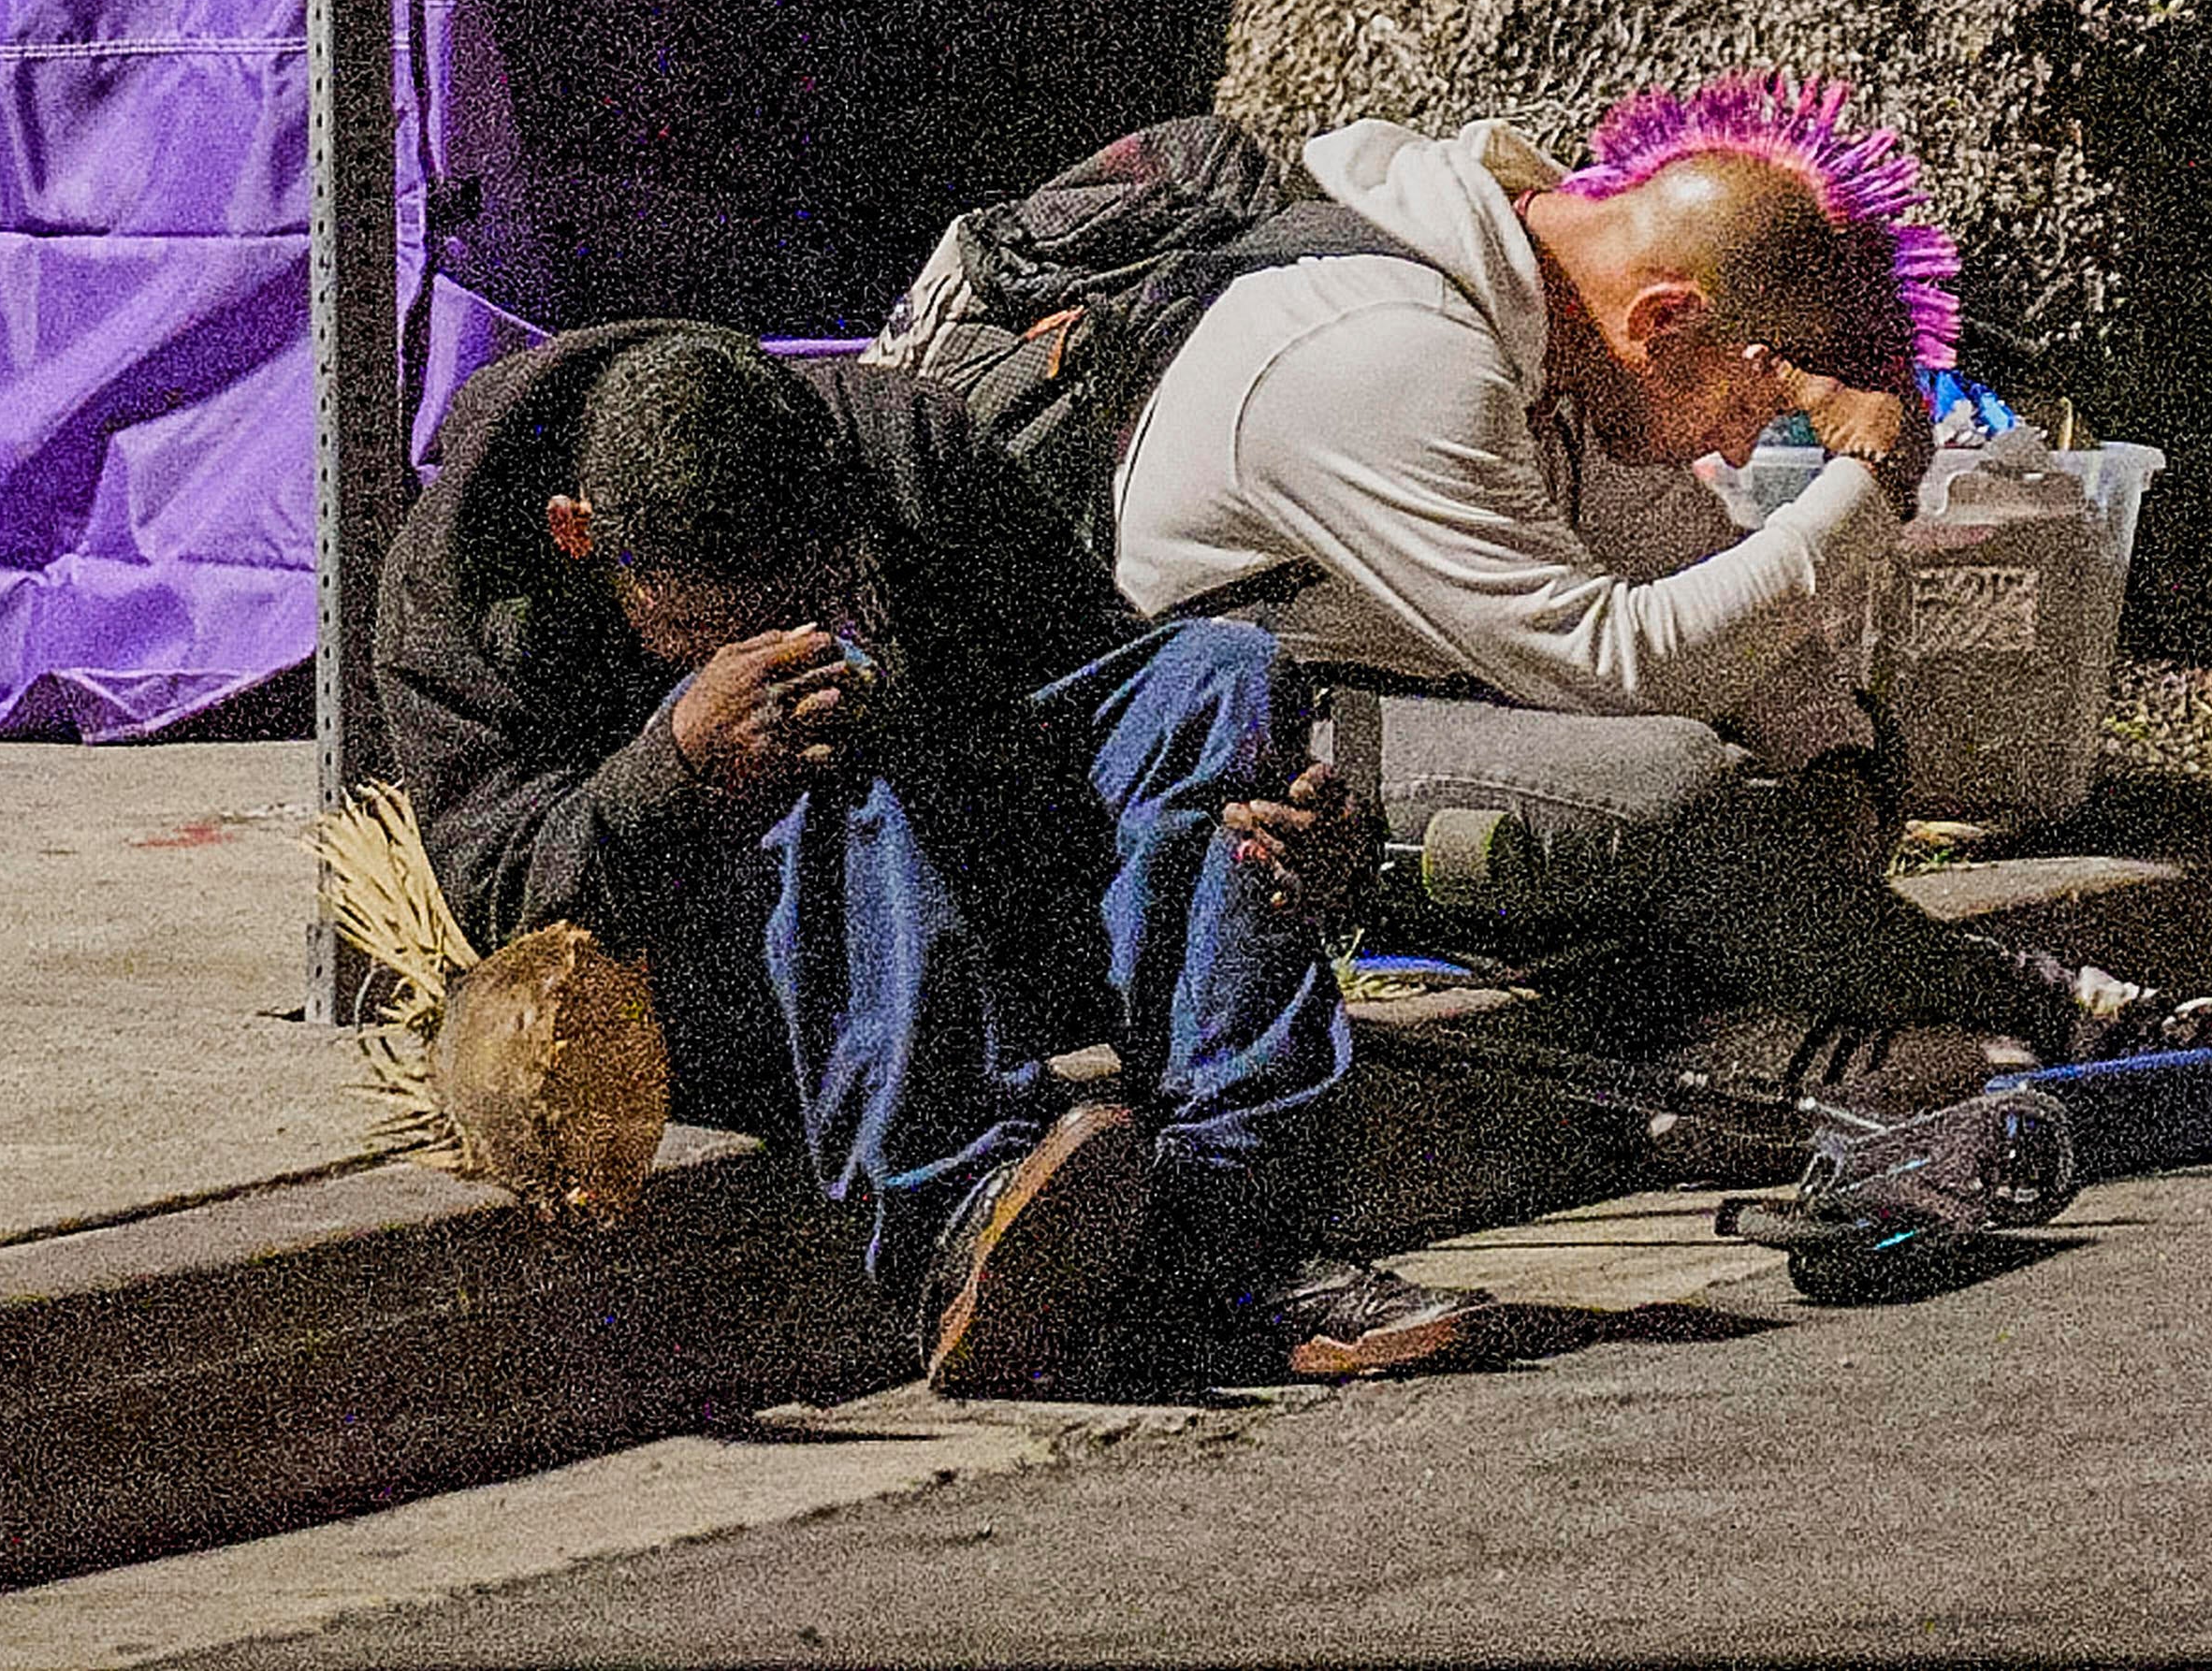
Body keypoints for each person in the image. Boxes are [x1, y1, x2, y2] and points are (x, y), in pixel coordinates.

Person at [1108, 89, 2212, 1135]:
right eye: (1749, 411)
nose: (1742, 445)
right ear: (1666, 319)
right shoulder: (1389, 354)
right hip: (1251, 741)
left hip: (1453, 701)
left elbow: (1704, 583)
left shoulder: (1570, 340)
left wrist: (1838, 761)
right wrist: (1860, 487)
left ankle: (1746, 1049)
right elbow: (1609, 668)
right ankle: (2058, 1008)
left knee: (1821, 744)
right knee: (1676, 788)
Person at [378, 318, 1514, 1389]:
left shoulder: (897, 445)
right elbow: (506, 909)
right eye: (709, 626)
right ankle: (971, 1225)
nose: (771, 638)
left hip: (978, 911)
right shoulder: (458, 582)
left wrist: (1304, 840)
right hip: (731, 975)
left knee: (1212, 677)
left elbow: (1106, 700)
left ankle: (1239, 1232)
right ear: (582, 534)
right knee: (825, 738)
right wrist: (678, 759)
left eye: (809, 594)